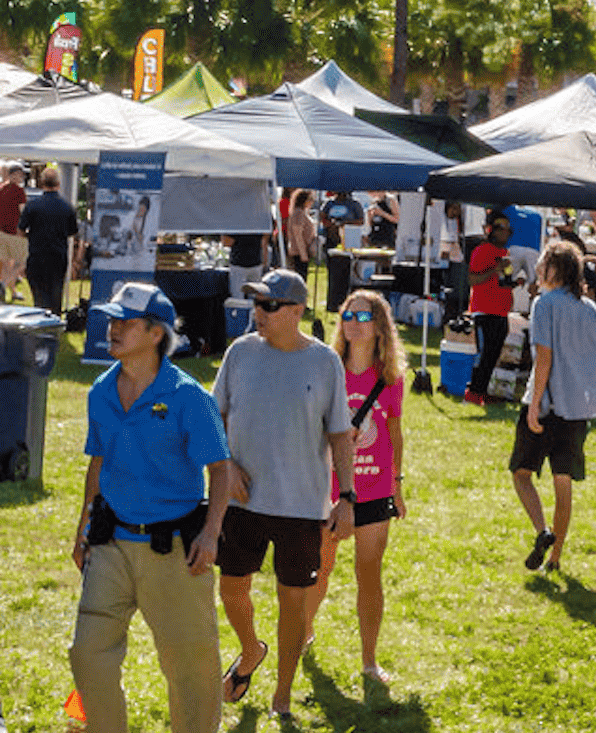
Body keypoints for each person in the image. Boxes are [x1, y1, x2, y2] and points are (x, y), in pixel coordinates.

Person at [70, 282, 232, 733]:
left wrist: (211, 533)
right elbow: (97, 464)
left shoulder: (188, 397)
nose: (113, 328)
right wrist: (82, 529)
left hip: (175, 550)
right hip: (111, 544)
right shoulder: (100, 391)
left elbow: (221, 470)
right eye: (112, 319)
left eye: (126, 321)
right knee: (87, 654)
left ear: (156, 333)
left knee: (192, 672)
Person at [212, 269, 354, 718]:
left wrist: (346, 497)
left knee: (292, 601)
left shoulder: (325, 361)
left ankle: (282, 695)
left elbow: (340, 434)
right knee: (231, 591)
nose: (260, 312)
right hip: (241, 501)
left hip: (301, 506)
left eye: (269, 305)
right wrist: (226, 465)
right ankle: (251, 649)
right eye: (256, 303)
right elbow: (214, 417)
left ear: (296, 311)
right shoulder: (240, 352)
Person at [306, 290, 406, 683]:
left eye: (362, 317)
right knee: (321, 567)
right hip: (329, 489)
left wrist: (397, 483)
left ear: (379, 325)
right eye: (347, 315)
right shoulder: (327, 371)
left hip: (376, 487)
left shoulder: (390, 377)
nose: (352, 323)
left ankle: (369, 660)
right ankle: (304, 631)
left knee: (369, 573)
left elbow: (395, 433)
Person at [511, 240, 596, 573]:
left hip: (547, 405)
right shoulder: (592, 310)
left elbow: (544, 358)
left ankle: (543, 531)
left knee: (522, 474)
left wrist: (534, 404)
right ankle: (555, 559)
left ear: (555, 269)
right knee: (562, 482)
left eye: (542, 265)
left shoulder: (544, 304)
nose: (538, 271)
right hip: (578, 409)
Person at [463, 212, 519, 406]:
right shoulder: (482, 251)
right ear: (491, 230)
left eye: (507, 230)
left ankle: (483, 392)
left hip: (501, 311)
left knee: (494, 355)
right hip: (484, 311)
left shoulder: (505, 253)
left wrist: (514, 283)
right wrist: (495, 270)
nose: (505, 234)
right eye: (501, 229)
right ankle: (473, 392)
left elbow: (501, 283)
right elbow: (473, 279)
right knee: (484, 354)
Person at [20, 165, 78, 314]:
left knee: (39, 297)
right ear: (58, 184)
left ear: (41, 183)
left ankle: (40, 325)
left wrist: (30, 236)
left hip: (37, 255)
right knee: (55, 294)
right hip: (58, 256)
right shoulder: (67, 207)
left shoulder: (32, 205)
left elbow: (20, 229)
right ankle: (55, 324)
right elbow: (72, 232)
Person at [0, 161, 30, 302]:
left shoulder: (1, 188)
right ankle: (3, 285)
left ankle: (11, 292)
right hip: (15, 232)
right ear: (13, 175)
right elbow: (23, 212)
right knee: (21, 263)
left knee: (7, 264)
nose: (21, 177)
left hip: (1, 232)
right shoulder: (19, 191)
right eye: (20, 174)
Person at [284, 191, 319, 284]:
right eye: (311, 199)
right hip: (298, 253)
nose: (312, 202)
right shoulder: (298, 214)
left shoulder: (301, 212)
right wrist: (303, 254)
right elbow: (297, 235)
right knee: (299, 280)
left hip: (301, 252)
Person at [223, 232, 269, 301]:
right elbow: (264, 243)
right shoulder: (259, 223)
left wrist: (222, 232)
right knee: (256, 298)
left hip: (238, 265)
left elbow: (227, 243)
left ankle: (240, 311)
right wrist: (265, 262)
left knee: (237, 298)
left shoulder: (235, 224)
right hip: (256, 263)